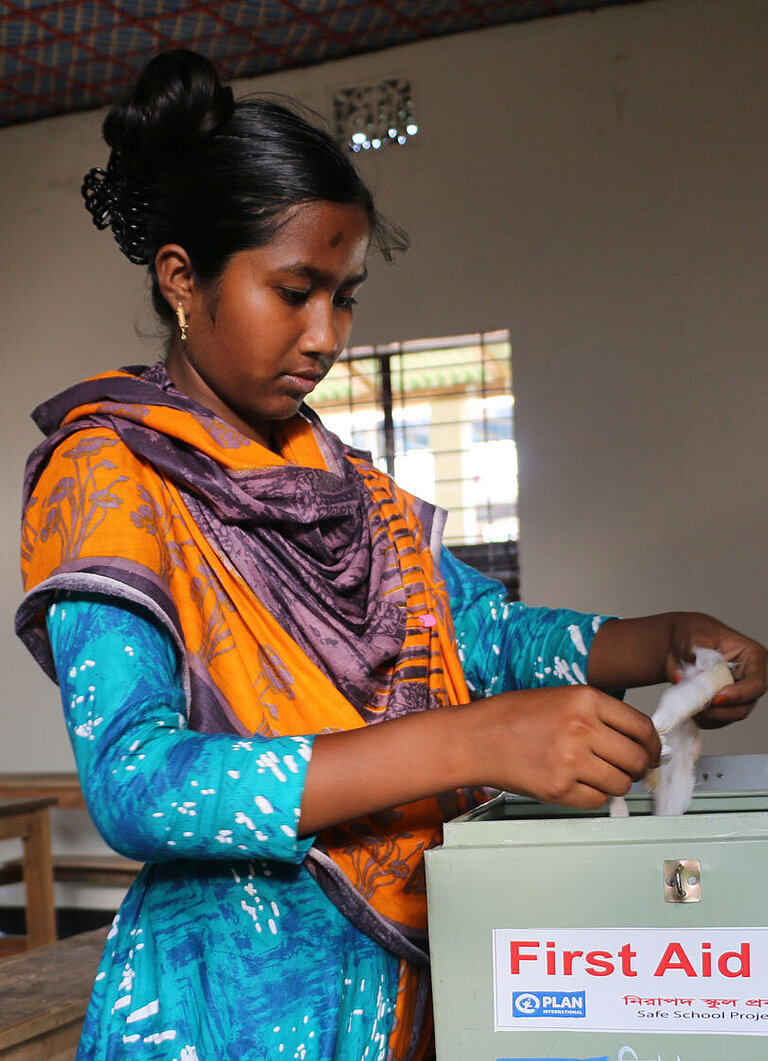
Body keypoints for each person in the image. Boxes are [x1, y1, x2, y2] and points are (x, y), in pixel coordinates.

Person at [15, 50, 767, 1061]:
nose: (326, 335)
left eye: (347, 294)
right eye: (294, 291)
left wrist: (655, 643)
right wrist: (472, 743)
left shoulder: (348, 486)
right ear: (183, 278)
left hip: (412, 969)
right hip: (231, 1001)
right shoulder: (112, 475)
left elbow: (477, 636)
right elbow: (140, 782)